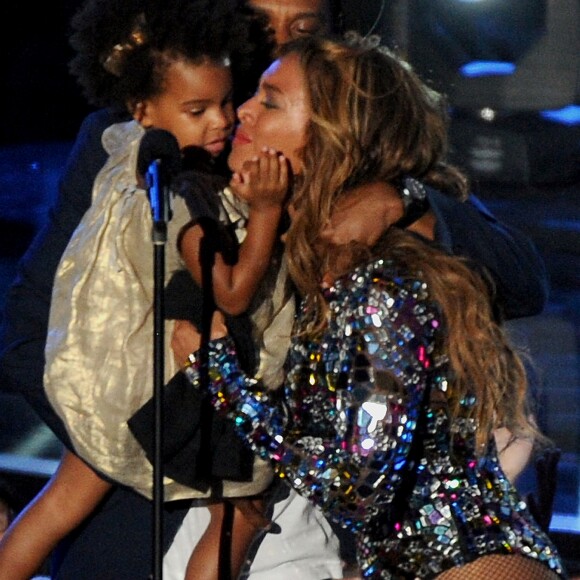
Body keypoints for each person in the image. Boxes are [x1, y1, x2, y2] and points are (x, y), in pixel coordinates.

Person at [0, 0, 549, 578]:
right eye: (260, 30)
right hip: (156, 485)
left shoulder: (380, 235)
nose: (279, 45)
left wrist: (405, 199)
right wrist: (151, 440)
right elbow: (33, 327)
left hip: (328, 517)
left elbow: (520, 279)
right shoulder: (156, 140)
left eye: (303, 29)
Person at [175, 35, 566, 579]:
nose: (242, 109)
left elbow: (358, 490)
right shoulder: (332, 274)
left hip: (471, 565)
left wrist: (221, 379)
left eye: (270, 100)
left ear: (333, 136)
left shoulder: (382, 282)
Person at [0, 0, 290, 579]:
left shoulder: (143, 163)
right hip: (160, 390)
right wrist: (267, 212)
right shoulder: (178, 191)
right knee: (238, 514)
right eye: (197, 109)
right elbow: (230, 293)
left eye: (227, 102)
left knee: (59, 503)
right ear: (143, 110)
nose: (221, 121)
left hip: (135, 383)